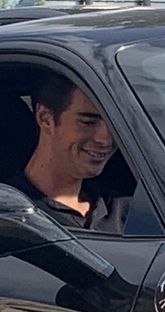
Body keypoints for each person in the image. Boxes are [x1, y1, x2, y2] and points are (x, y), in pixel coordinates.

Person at [12, 74, 130, 234]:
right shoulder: (10, 215)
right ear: (45, 118)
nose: (105, 140)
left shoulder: (128, 211)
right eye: (88, 123)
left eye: (114, 124)